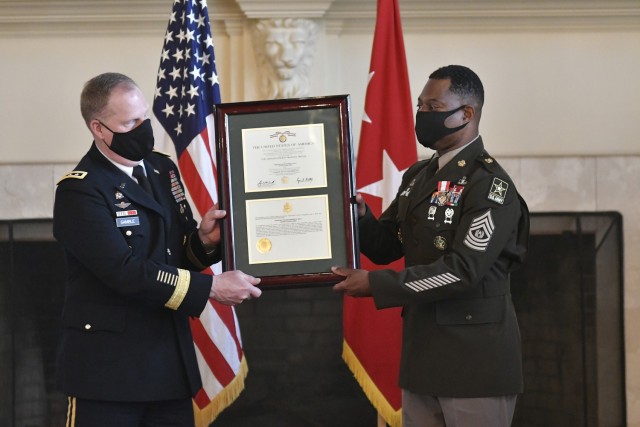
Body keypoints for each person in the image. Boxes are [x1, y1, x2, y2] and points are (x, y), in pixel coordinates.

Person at [53, 72, 262, 427]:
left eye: (144, 117)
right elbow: (124, 270)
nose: (143, 128)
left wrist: (204, 241)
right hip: (107, 374)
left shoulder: (161, 168)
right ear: (99, 129)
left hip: (168, 364)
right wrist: (210, 287)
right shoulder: (80, 192)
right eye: (130, 122)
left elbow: (176, 253)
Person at [332, 65, 529, 426]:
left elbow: (462, 271)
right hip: (423, 359)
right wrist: (357, 215)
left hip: (475, 365)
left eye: (434, 108)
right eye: (420, 106)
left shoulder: (489, 186)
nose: (422, 115)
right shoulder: (419, 176)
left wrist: (374, 284)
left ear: (466, 114)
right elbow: (387, 245)